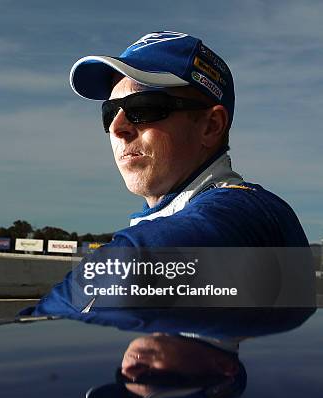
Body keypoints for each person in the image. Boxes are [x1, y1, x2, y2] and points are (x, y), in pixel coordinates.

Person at [22, 31, 312, 317]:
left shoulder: (252, 214)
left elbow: (142, 257)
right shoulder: (171, 220)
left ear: (210, 126)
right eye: (109, 112)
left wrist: (32, 325)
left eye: (144, 108)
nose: (117, 127)